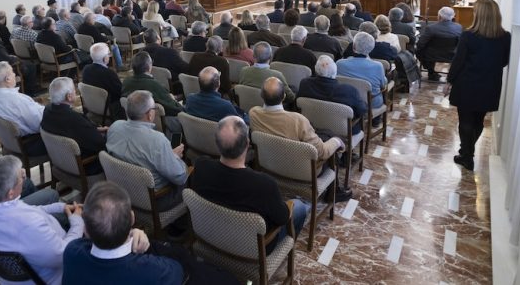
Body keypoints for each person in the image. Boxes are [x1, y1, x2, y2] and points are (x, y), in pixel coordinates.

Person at [189, 116, 307, 252]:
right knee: (299, 207)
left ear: (217, 143)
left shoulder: (201, 166)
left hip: (212, 235)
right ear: (247, 143)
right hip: (254, 250)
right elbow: (282, 218)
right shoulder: (264, 184)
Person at [0, 156, 84, 285]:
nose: (24, 178)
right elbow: (63, 254)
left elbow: (29, 210)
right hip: (50, 277)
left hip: (8, 275)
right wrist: (77, 221)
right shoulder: (28, 225)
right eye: (22, 177)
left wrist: (60, 207)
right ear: (10, 193)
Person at [62, 182, 184, 285]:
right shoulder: (153, 271)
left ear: (85, 230)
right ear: (132, 218)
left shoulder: (71, 252)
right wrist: (143, 244)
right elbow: (179, 271)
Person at [447, 0, 510, 171]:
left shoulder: (468, 35)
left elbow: (458, 61)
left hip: (467, 84)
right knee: (478, 120)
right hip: (490, 84)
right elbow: (504, 61)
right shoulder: (506, 37)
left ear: (479, 15)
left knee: (465, 121)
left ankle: (467, 155)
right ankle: (467, 153)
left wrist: (450, 80)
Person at [106, 90, 188, 210]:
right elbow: (179, 178)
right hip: (155, 200)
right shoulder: (157, 140)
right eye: (154, 108)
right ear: (150, 114)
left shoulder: (114, 127)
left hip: (122, 192)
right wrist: (174, 157)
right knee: (188, 173)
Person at [249, 77, 344, 167]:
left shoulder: (253, 113)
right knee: (330, 140)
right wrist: (337, 141)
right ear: (284, 97)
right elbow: (322, 152)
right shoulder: (298, 120)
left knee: (325, 133)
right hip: (300, 171)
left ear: (261, 96)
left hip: (269, 164)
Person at [41, 77, 107, 175]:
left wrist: (94, 129)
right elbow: (100, 143)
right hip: (84, 165)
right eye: (74, 90)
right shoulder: (73, 119)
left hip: (62, 161)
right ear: (69, 96)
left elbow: (74, 131)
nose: (75, 91)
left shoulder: (47, 110)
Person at [0, 61, 47, 156]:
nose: (14, 74)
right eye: (12, 72)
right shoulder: (17, 100)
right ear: (7, 79)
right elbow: (40, 123)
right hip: (30, 144)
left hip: (12, 144)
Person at [297, 56, 367, 133]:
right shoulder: (349, 90)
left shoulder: (305, 84)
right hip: (343, 130)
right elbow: (362, 110)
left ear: (316, 70)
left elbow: (297, 106)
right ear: (335, 71)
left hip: (311, 124)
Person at [0, 23, 38, 93]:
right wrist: (16, 58)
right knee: (31, 66)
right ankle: (30, 91)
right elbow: (8, 61)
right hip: (0, 69)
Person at [121, 52, 183, 118]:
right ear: (149, 67)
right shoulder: (154, 85)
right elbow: (176, 109)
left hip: (133, 119)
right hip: (159, 122)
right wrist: (173, 100)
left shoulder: (126, 82)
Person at [336, 32, 387, 108]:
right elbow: (383, 85)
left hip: (346, 100)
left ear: (353, 46)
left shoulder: (339, 63)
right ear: (371, 48)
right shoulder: (378, 66)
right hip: (370, 103)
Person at [417, 6, 463, 81]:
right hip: (451, 56)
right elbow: (460, 44)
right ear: (452, 16)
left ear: (439, 16)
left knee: (419, 50)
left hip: (431, 56)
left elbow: (420, 44)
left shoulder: (431, 28)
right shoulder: (458, 27)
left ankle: (431, 72)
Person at [81, 43, 125, 120]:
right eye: (108, 54)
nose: (109, 56)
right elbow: (120, 92)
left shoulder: (85, 69)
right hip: (108, 108)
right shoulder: (109, 73)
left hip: (91, 104)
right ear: (105, 59)